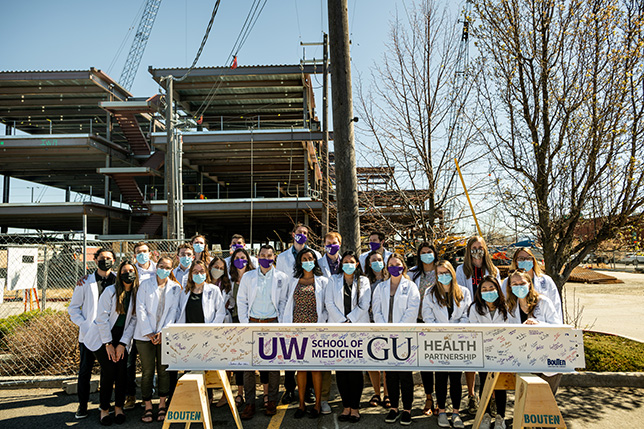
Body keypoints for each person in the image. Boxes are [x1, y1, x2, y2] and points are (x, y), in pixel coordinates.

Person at [236, 244, 290, 420]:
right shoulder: (248, 277)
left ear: (274, 257)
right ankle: (250, 403)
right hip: (252, 323)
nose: (266, 258)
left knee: (273, 366)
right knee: (249, 367)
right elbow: (241, 300)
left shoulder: (282, 277)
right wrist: (245, 323)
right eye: (262, 255)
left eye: (269, 255)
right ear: (257, 257)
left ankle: (271, 400)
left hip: (273, 323)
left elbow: (283, 301)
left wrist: (280, 322)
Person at [83, 260, 138, 426]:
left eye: (131, 270)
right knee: (109, 371)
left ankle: (119, 407)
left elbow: (134, 320)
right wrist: (108, 344)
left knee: (121, 372)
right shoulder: (110, 291)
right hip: (102, 337)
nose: (128, 273)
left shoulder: (137, 294)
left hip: (122, 337)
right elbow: (102, 318)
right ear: (119, 274)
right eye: (124, 270)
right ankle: (104, 409)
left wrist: (122, 344)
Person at [275, 223, 321, 408]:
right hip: (291, 307)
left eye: (305, 233)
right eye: (299, 232)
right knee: (290, 354)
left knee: (309, 354)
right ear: (292, 234)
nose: (301, 235)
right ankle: (289, 389)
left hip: (310, 311)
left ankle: (309, 390)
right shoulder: (282, 257)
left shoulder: (314, 255)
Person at [372, 253, 420, 426]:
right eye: (391, 264)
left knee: (405, 376)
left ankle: (407, 409)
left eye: (397, 264)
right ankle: (394, 408)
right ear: (387, 267)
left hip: (404, 336)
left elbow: (412, 310)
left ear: (403, 266)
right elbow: (376, 310)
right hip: (386, 337)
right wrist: (385, 328)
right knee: (390, 375)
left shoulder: (411, 286)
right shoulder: (381, 287)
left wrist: (398, 329)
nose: (394, 267)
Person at [68, 248, 116, 419]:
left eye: (109, 258)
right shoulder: (85, 282)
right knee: (85, 370)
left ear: (114, 260)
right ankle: (82, 406)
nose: (106, 260)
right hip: (88, 334)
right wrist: (84, 324)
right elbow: (73, 308)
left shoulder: (117, 280)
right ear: (95, 260)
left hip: (110, 335)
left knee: (108, 370)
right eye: (102, 258)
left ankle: (105, 405)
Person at [422, 260, 471, 429]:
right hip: (438, 341)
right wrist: (443, 332)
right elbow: (428, 317)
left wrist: (454, 331)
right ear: (436, 275)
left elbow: (466, 315)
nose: (444, 276)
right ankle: (442, 411)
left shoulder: (463, 292)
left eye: (446, 272)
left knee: (456, 379)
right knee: (441, 378)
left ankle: (456, 413)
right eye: (440, 273)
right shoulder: (430, 293)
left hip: (457, 342)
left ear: (452, 273)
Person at [455, 236, 501, 413]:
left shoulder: (493, 269)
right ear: (468, 249)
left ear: (485, 249)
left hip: (489, 316)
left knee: (490, 360)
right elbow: (459, 293)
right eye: (473, 247)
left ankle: (491, 397)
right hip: (470, 315)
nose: (477, 250)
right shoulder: (462, 270)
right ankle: (472, 395)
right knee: (470, 360)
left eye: (480, 247)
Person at [134, 256, 182, 423]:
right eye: (161, 266)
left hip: (164, 336)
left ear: (171, 269)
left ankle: (162, 404)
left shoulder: (175, 288)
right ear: (156, 267)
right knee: (147, 372)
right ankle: (148, 405)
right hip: (144, 335)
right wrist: (148, 331)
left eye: (167, 267)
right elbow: (140, 308)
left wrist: (162, 332)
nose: (164, 269)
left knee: (163, 371)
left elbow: (173, 312)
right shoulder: (145, 285)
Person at [325, 250, 371, 423]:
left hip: (357, 329)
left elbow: (364, 304)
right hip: (338, 330)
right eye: (345, 262)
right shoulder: (333, 280)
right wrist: (342, 321)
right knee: (342, 370)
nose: (348, 265)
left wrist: (349, 321)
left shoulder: (363, 281)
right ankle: (346, 407)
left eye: (352, 262)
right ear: (341, 264)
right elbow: (328, 302)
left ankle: (355, 407)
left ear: (357, 264)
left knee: (355, 371)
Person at [468, 276, 519, 429]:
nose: (488, 291)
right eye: (484, 289)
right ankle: (485, 415)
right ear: (479, 292)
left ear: (498, 289)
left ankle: (500, 417)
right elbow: (473, 331)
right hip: (484, 353)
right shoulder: (475, 308)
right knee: (485, 384)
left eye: (491, 288)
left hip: (502, 352)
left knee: (500, 385)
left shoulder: (507, 307)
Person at [283, 248, 329, 419]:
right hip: (297, 329)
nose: (308, 261)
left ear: (315, 261)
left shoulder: (323, 281)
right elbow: (286, 303)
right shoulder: (293, 280)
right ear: (299, 262)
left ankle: (317, 405)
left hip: (316, 330)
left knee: (315, 369)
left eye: (311, 258)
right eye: (304, 258)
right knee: (301, 369)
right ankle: (301, 404)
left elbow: (326, 306)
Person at [506, 269, 563, 395]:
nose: (518, 287)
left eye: (522, 283)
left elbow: (558, 328)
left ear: (529, 284)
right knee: (528, 398)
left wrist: (539, 325)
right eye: (514, 284)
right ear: (510, 287)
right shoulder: (510, 307)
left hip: (549, 357)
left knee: (546, 398)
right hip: (525, 359)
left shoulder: (543, 302)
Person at [125, 241, 157, 410]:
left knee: (149, 363)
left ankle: (149, 395)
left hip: (151, 323)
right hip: (132, 322)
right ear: (135, 255)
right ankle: (130, 395)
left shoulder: (157, 269)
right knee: (129, 362)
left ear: (150, 253)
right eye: (139, 252)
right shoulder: (131, 270)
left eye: (145, 251)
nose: (142, 254)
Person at [409, 242, 438, 416]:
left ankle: (441, 400)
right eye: (423, 252)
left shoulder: (442, 271)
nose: (426, 255)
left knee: (440, 362)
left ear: (435, 254)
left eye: (429, 252)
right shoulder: (413, 273)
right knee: (425, 363)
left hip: (437, 323)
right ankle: (428, 398)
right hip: (419, 322)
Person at [505, 248, 563, 323]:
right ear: (515, 262)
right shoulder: (507, 281)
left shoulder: (546, 280)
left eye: (528, 258)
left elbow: (556, 306)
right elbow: (507, 302)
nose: (525, 261)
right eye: (521, 258)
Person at [228, 247, 255, 408]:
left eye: (243, 257)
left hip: (251, 321)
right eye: (237, 258)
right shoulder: (229, 279)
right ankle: (239, 393)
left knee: (251, 358)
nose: (240, 260)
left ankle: (260, 393)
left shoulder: (253, 277)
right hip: (235, 320)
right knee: (239, 360)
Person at [363, 251, 390, 408]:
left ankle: (387, 393)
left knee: (386, 360)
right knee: (372, 360)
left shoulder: (389, 280)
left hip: (386, 323)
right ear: (368, 263)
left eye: (380, 260)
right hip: (369, 323)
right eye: (374, 260)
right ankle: (376, 393)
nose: (377, 262)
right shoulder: (365, 281)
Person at [177, 260, 227, 324]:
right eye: (195, 272)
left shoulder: (214, 290)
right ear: (191, 274)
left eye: (202, 271)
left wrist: (212, 328)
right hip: (187, 331)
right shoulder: (184, 292)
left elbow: (221, 312)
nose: (199, 274)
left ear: (206, 273)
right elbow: (179, 313)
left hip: (207, 330)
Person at [208, 255, 233, 323]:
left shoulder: (226, 285)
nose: (218, 270)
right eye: (216, 267)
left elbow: (232, 304)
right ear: (210, 267)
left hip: (221, 319)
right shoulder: (204, 283)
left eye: (221, 268)